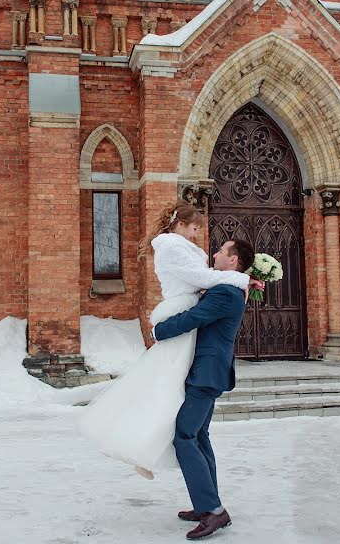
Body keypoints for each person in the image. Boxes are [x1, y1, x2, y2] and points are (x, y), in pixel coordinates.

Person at [76, 201, 256, 480]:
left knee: (169, 385)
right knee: (167, 384)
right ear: (180, 224)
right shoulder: (171, 245)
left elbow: (202, 278)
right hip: (181, 308)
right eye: (194, 228)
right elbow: (199, 277)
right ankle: (142, 448)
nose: (198, 235)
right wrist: (241, 279)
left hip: (188, 307)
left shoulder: (181, 247)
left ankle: (146, 450)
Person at [153, 238, 254, 540]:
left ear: (233, 261)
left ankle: (213, 511)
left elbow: (194, 318)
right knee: (198, 435)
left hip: (206, 374)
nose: (215, 254)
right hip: (208, 372)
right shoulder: (226, 290)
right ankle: (207, 505)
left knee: (184, 436)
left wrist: (159, 330)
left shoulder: (225, 292)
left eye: (222, 251)